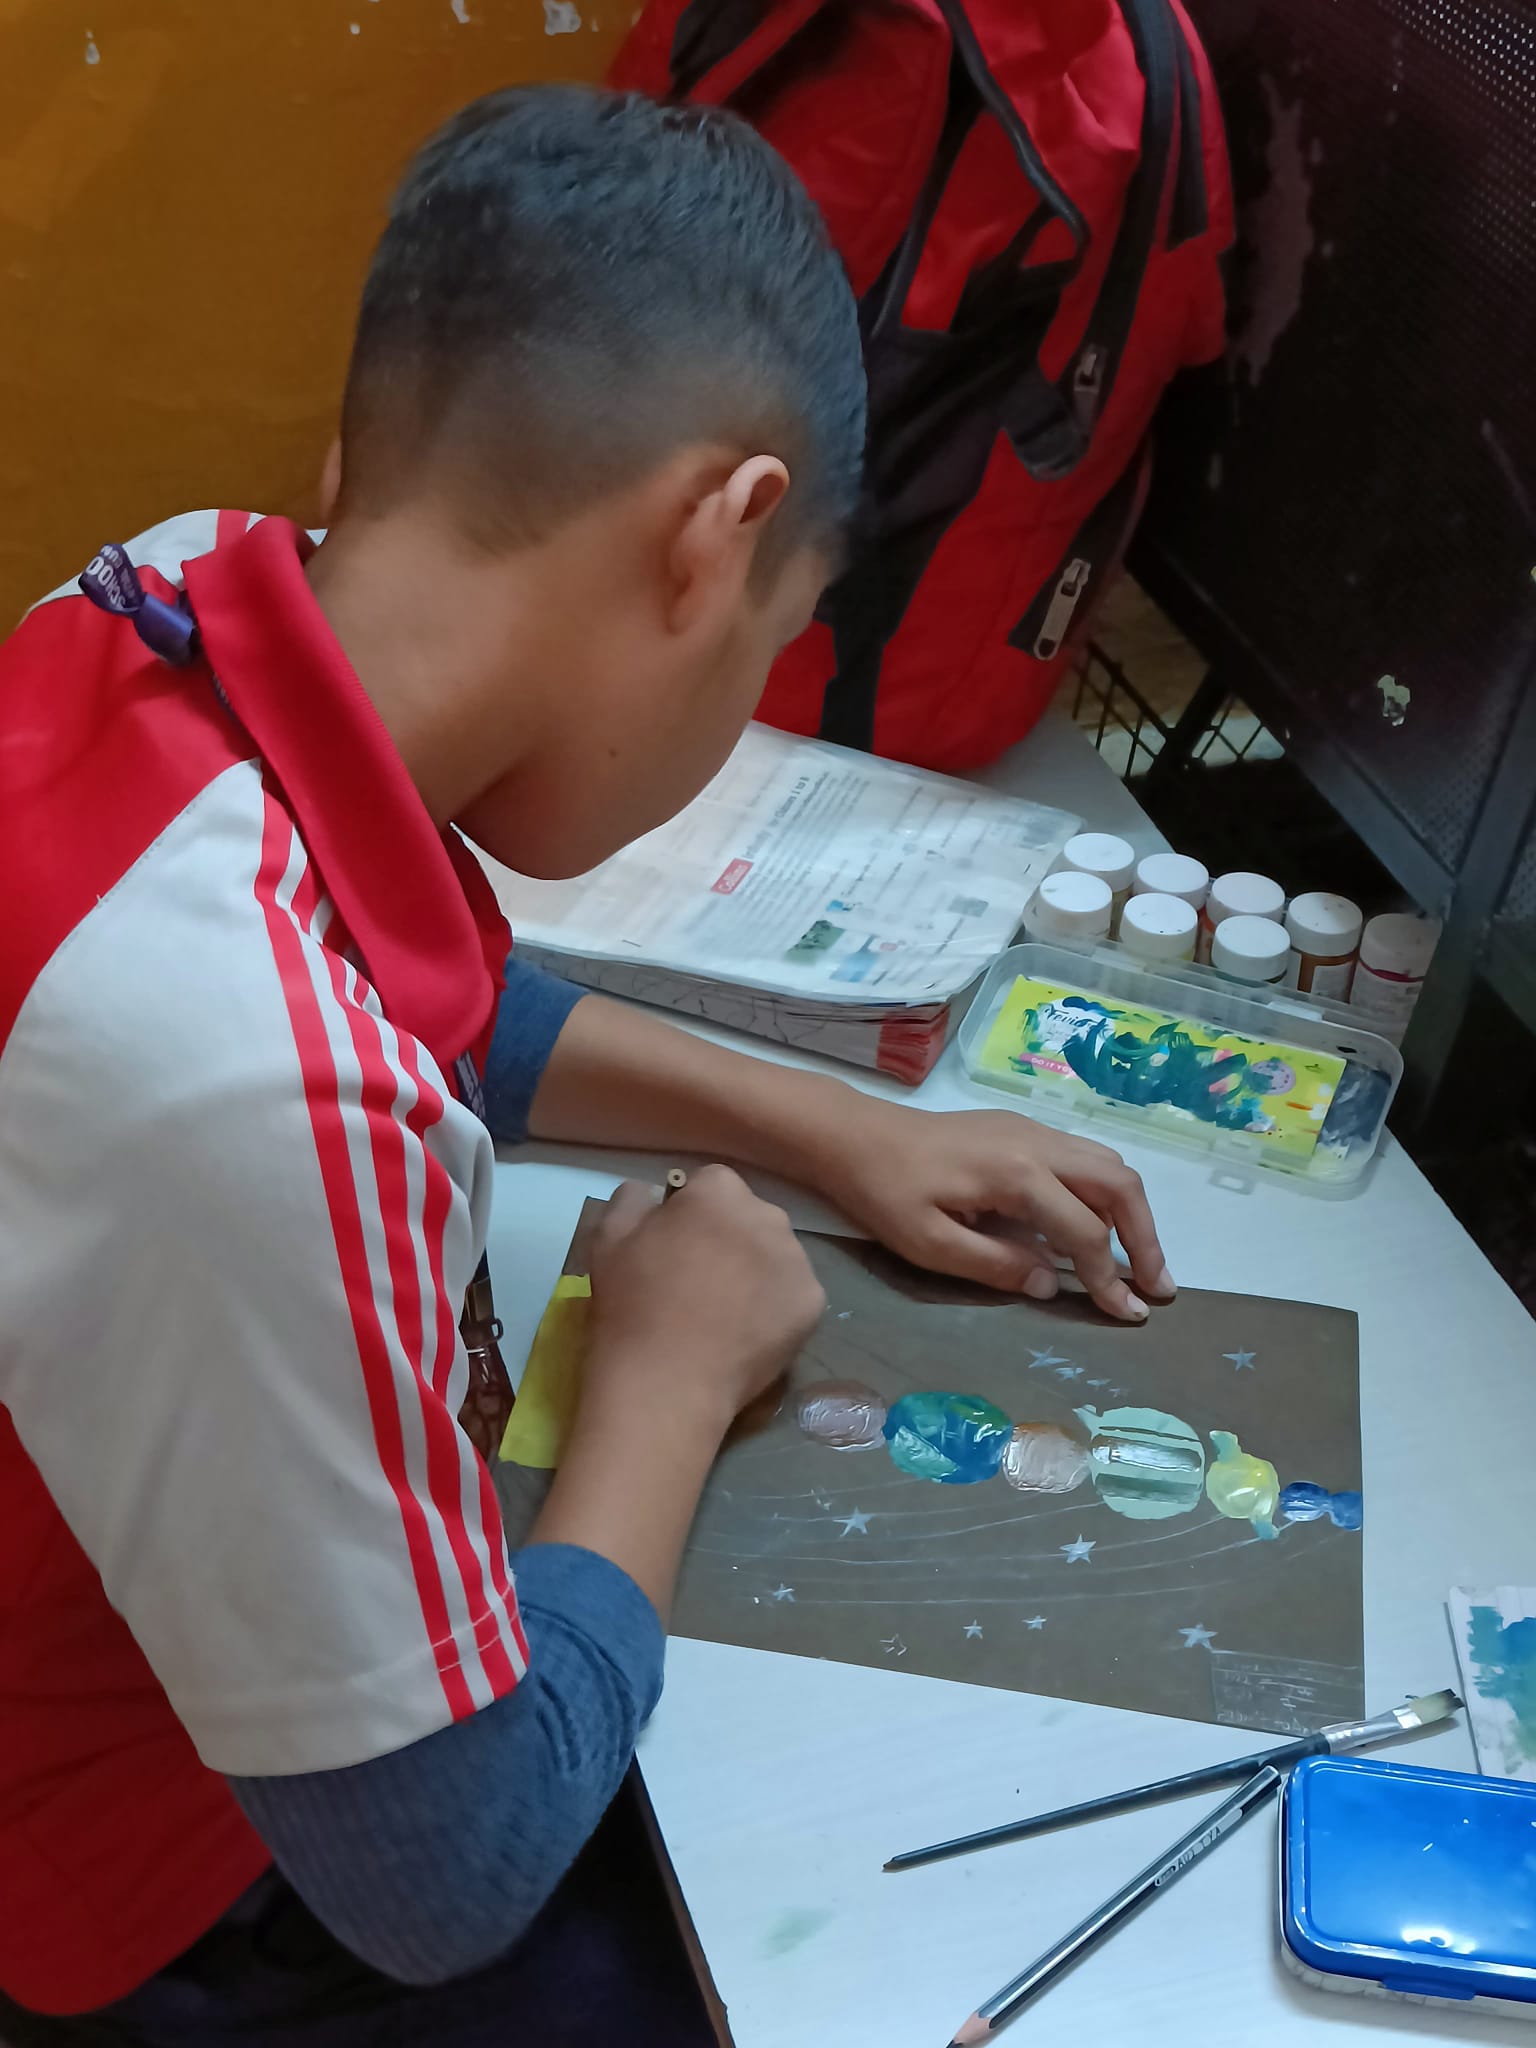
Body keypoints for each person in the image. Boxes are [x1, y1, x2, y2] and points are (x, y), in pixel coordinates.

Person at [0, 85, 1171, 2044]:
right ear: (719, 537)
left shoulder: (170, 600)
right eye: (772, 650)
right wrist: (667, 1374)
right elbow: (444, 1875)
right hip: (144, 1893)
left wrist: (840, 1131)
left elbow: (449, 1005)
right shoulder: (250, 1088)